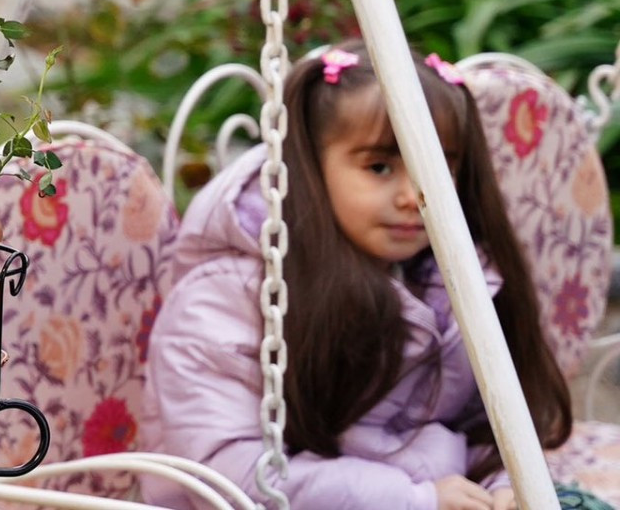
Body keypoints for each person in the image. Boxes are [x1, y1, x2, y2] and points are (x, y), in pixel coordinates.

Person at [141, 41, 579, 510]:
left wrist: (501, 486)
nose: (415, 195)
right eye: (379, 166)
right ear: (308, 166)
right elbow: (229, 474)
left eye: (436, 165)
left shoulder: (449, 281)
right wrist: (415, 501)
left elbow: (479, 427)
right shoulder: (226, 300)